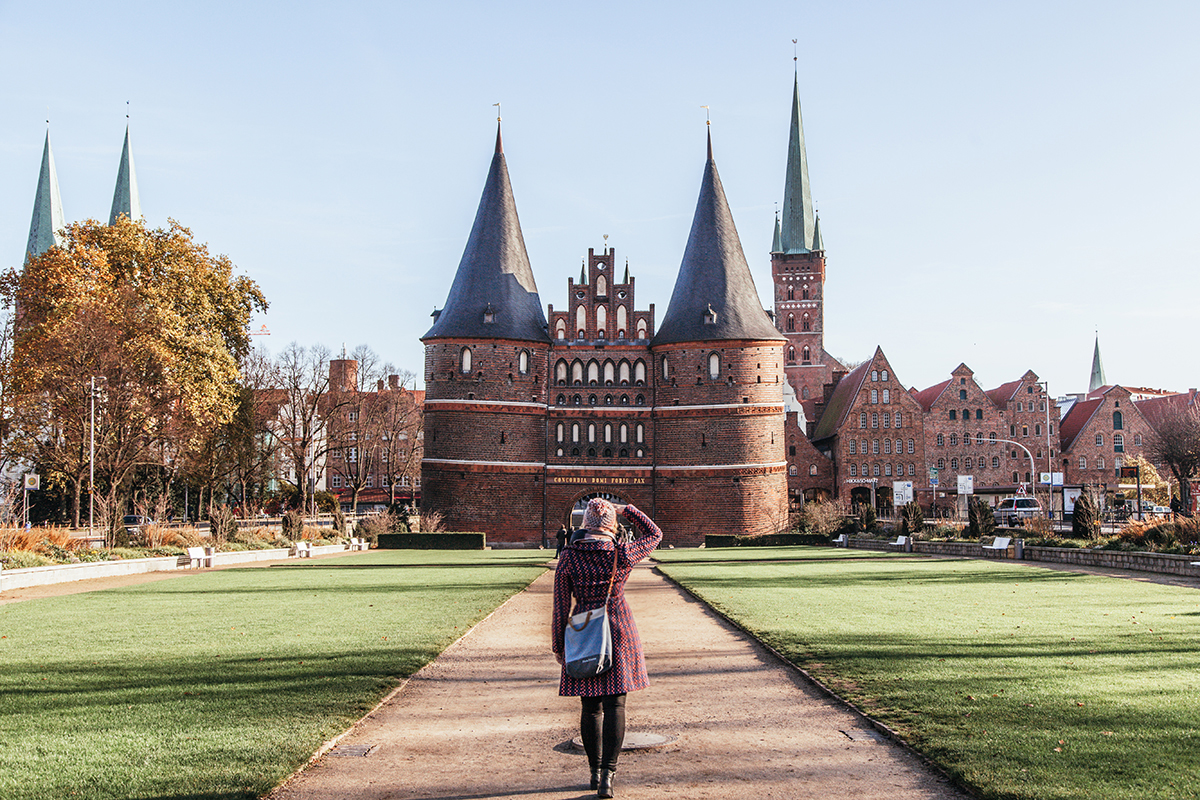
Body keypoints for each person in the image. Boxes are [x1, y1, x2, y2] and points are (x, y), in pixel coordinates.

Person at [551, 498, 662, 798]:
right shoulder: (621, 552)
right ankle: (608, 777)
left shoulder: (570, 557)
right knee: (616, 705)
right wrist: (630, 511)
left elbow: (561, 606)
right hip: (618, 627)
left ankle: (593, 769)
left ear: (584, 524)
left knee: (590, 707)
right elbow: (654, 535)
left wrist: (559, 645)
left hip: (584, 630)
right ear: (612, 525)